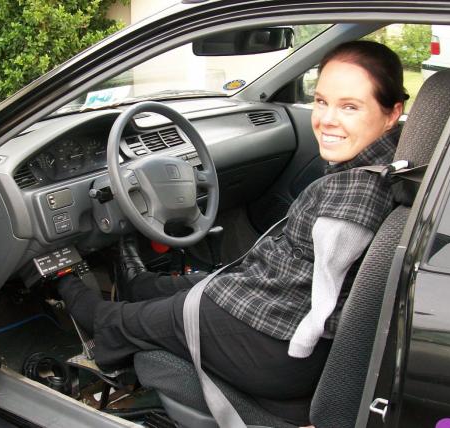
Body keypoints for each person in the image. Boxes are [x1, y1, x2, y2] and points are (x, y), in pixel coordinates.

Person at [58, 40, 407, 400]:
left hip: (276, 340)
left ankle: (93, 315)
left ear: (392, 113)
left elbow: (326, 289)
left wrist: (303, 347)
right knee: (182, 287)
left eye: (349, 106)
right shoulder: (390, 166)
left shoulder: (357, 192)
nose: (327, 119)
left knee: (136, 321)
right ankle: (141, 286)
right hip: (274, 300)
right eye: (321, 101)